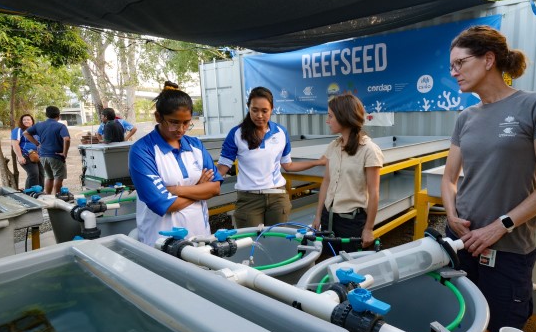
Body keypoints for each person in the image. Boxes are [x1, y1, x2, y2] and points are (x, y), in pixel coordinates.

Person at [440, 25, 536, 332]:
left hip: (507, 247)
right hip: (462, 241)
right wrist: (451, 214)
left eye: (459, 63)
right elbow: (449, 179)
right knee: (470, 331)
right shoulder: (466, 118)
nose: (454, 72)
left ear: (488, 59)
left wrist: (501, 225)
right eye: (451, 66)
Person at [129, 81, 223, 247]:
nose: (181, 129)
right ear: (158, 117)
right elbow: (165, 204)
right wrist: (199, 187)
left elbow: (215, 188)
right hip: (161, 243)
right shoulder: (143, 151)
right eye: (174, 122)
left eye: (186, 123)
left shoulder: (195, 146)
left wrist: (177, 190)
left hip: (200, 238)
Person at [217, 86, 325, 228]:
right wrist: (204, 183)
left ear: (272, 109)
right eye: (254, 110)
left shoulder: (280, 132)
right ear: (248, 107)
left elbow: (288, 165)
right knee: (252, 245)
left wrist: (317, 163)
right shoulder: (237, 134)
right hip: (249, 199)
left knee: (277, 243)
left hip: (277, 197)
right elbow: (223, 167)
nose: (259, 115)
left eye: (264, 111)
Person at [311, 93, 383, 252]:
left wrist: (369, 228)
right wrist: (318, 215)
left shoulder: (369, 150)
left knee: (350, 267)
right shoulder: (333, 147)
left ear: (344, 117)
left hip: (351, 222)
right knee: (329, 262)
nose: (327, 121)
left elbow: (374, 191)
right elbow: (327, 182)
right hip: (328, 216)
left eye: (330, 116)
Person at [23, 106, 71, 195]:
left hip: (43, 156)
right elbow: (66, 139)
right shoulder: (61, 126)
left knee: (49, 177)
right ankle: (57, 198)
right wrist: (64, 153)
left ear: (46, 115)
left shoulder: (39, 124)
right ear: (59, 115)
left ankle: (48, 197)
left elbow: (26, 133)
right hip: (56, 155)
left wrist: (37, 143)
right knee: (58, 177)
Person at [11, 113, 44, 189]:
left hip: (38, 156)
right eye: (24, 120)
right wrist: (19, 156)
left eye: (28, 120)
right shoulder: (18, 130)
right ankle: (31, 193)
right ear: (21, 121)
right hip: (25, 155)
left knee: (41, 174)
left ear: (32, 121)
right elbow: (15, 144)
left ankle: (40, 192)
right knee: (33, 173)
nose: (26, 121)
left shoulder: (36, 130)